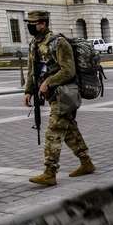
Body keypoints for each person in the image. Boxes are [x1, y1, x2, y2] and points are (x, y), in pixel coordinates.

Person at [23, 11, 94, 186]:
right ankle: (86, 163)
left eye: (34, 23)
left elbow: (69, 70)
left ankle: (50, 172)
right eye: (29, 23)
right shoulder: (34, 43)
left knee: (53, 132)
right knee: (69, 131)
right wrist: (28, 91)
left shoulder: (59, 43)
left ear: (43, 24)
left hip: (64, 94)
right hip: (52, 96)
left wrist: (49, 81)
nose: (30, 26)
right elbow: (32, 70)